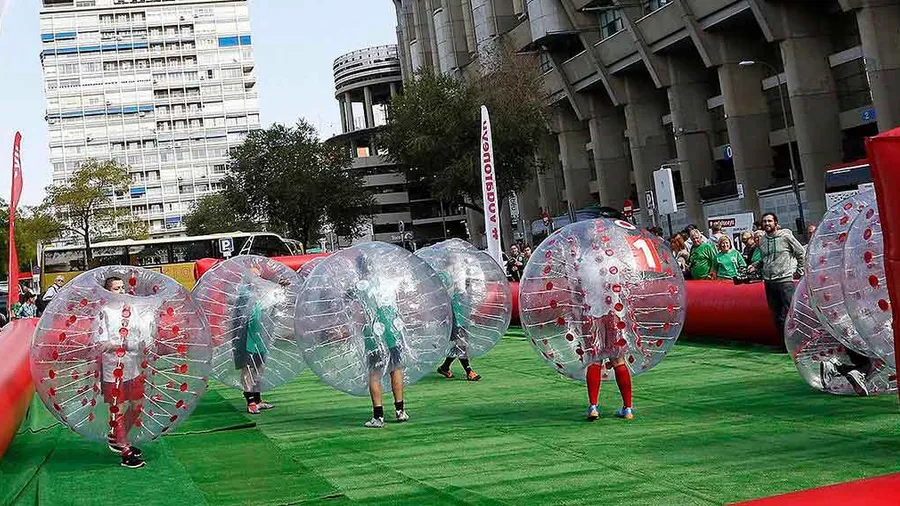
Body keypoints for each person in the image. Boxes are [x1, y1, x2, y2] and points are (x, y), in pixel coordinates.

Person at [97, 276, 153, 469]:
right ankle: (125, 450)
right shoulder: (103, 312)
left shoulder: (132, 308)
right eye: (116, 288)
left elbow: (142, 333)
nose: (121, 291)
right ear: (107, 291)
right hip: (113, 368)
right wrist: (123, 345)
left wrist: (145, 340)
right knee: (118, 408)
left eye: (122, 287)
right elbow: (101, 343)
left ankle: (117, 437)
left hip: (133, 365)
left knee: (137, 405)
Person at [354, 254, 409, 428]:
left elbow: (350, 302)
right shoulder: (388, 282)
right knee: (396, 369)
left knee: (375, 375)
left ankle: (378, 417)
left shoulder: (361, 285)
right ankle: (400, 411)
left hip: (374, 334)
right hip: (393, 332)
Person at [232, 266, 284, 415]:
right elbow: (240, 318)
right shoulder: (244, 293)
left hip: (259, 338)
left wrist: (279, 287)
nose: (257, 279)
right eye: (254, 276)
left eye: (258, 276)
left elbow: (272, 308)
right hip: (246, 338)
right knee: (248, 369)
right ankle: (250, 402)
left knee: (259, 368)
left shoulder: (259, 294)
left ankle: (258, 399)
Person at [747, 213, 805, 338]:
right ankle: (784, 344)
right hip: (769, 282)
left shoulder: (785, 237)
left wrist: (799, 271)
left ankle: (799, 341)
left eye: (769, 221)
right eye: (764, 221)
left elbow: (801, 253)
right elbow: (765, 259)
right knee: (777, 315)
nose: (767, 224)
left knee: (792, 312)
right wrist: (755, 265)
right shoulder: (762, 240)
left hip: (785, 281)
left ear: (776, 223)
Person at [436, 257, 482, 382]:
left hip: (461, 311)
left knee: (461, 341)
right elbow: (442, 295)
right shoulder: (444, 275)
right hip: (452, 313)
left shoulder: (460, 277)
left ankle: (445, 367)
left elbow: (465, 292)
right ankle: (469, 371)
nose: (460, 266)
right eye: (458, 263)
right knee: (461, 341)